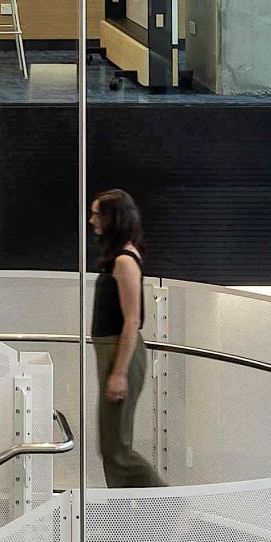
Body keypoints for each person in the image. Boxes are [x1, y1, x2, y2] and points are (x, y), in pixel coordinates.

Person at [90, 186, 159, 488]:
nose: (92, 220)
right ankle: (126, 514)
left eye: (96, 214)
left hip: (120, 354)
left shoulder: (124, 260)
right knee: (111, 446)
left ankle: (171, 506)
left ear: (113, 218)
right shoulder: (120, 257)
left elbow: (133, 320)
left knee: (117, 449)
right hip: (113, 353)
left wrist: (118, 373)